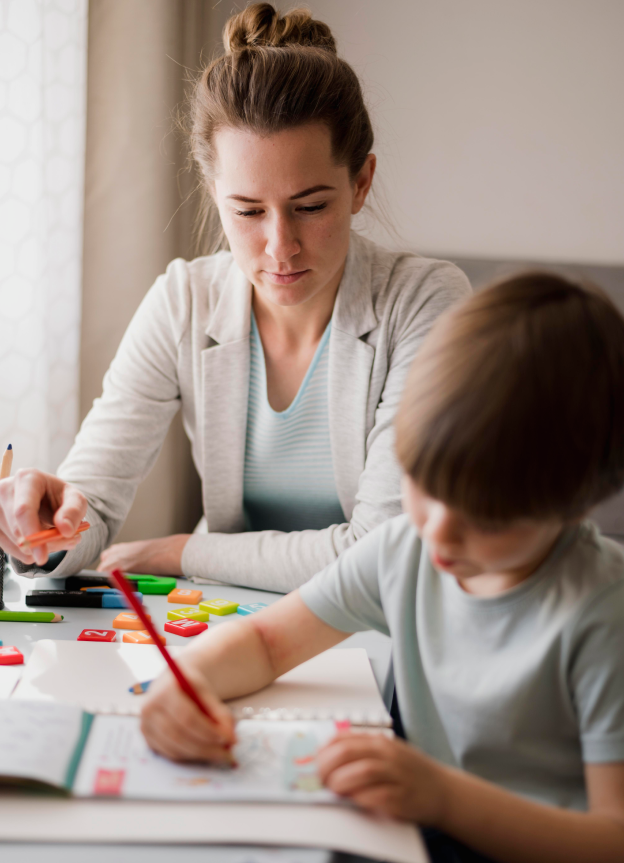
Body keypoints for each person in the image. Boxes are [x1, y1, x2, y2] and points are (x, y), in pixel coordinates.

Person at [139, 272, 624, 863]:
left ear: (575, 502)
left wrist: (444, 798)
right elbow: (265, 641)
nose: (443, 530)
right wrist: (189, 681)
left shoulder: (602, 612)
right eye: (424, 484)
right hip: (432, 856)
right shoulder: (405, 548)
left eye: (489, 516)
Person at [0, 3, 469, 593]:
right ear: (214, 192)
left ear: (361, 183)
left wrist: (180, 550)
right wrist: (46, 531)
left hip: (375, 636)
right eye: (247, 211)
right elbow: (90, 505)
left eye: (311, 206)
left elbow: (380, 554)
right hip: (226, 621)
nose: (280, 247)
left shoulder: (426, 301)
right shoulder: (183, 300)